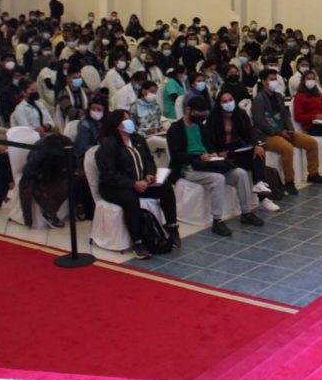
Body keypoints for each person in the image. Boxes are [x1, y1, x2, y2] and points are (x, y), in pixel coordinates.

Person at [166, 96, 265, 237]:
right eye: (198, 113)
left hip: (207, 163)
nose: (200, 116)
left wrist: (213, 153)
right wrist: (198, 157)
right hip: (188, 167)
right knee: (218, 179)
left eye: (202, 113)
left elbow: (209, 145)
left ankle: (246, 212)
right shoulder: (176, 129)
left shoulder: (201, 126)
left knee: (240, 174)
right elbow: (177, 155)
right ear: (188, 110)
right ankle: (217, 221)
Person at [95, 109, 179, 259]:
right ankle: (138, 241)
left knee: (165, 186)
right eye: (126, 119)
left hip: (141, 182)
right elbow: (109, 175)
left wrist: (150, 174)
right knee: (130, 199)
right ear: (117, 125)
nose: (130, 121)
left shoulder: (138, 139)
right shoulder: (108, 146)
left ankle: (172, 227)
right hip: (114, 187)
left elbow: (148, 160)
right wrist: (133, 183)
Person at [252, 68, 322, 195]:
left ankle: (313, 174)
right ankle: (289, 181)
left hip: (284, 131)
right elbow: (259, 122)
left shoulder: (278, 96)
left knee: (312, 143)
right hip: (267, 135)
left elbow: (286, 115)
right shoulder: (259, 99)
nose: (274, 82)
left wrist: (290, 130)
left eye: (275, 79)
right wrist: (279, 132)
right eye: (271, 79)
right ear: (263, 81)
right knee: (287, 148)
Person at [205, 92, 278, 211]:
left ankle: (261, 191)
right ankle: (261, 191)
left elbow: (250, 131)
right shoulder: (213, 118)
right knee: (254, 161)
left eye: (230, 100)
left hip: (237, 149)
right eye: (225, 101)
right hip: (223, 153)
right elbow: (208, 140)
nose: (229, 103)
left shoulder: (241, 114)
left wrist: (256, 145)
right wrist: (216, 152)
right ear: (219, 104)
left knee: (258, 153)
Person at [18, 133, 70, 228]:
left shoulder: (63, 144)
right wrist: (44, 174)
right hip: (38, 174)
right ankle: (50, 212)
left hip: (53, 170)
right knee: (63, 186)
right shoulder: (40, 153)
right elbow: (28, 171)